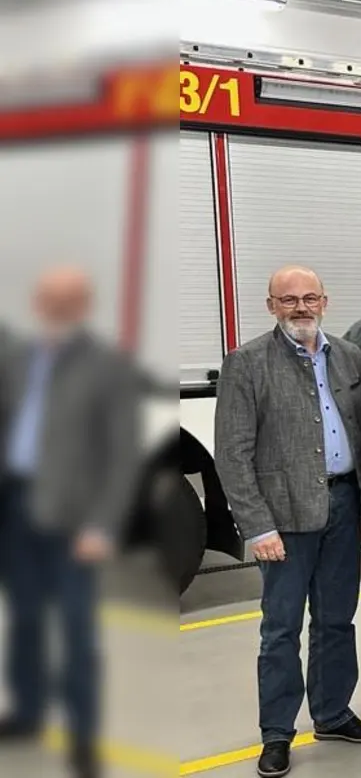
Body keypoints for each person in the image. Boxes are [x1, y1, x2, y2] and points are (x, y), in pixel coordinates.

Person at [213, 266, 361, 778]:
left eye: (310, 298)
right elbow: (232, 454)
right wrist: (257, 527)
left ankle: (332, 714)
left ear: (325, 302)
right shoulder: (247, 364)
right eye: (288, 299)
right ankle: (277, 732)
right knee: (281, 628)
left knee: (336, 621)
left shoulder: (349, 356)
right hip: (283, 519)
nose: (301, 307)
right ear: (271, 306)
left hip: (342, 506)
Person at [0, 267, 142, 778]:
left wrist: (102, 525)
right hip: (14, 508)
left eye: (68, 300)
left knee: (78, 630)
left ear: (84, 305)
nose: (56, 308)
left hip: (72, 519)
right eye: (49, 299)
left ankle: (84, 738)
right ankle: (28, 712)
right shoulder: (16, 357)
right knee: (25, 620)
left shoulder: (107, 366)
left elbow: (122, 455)